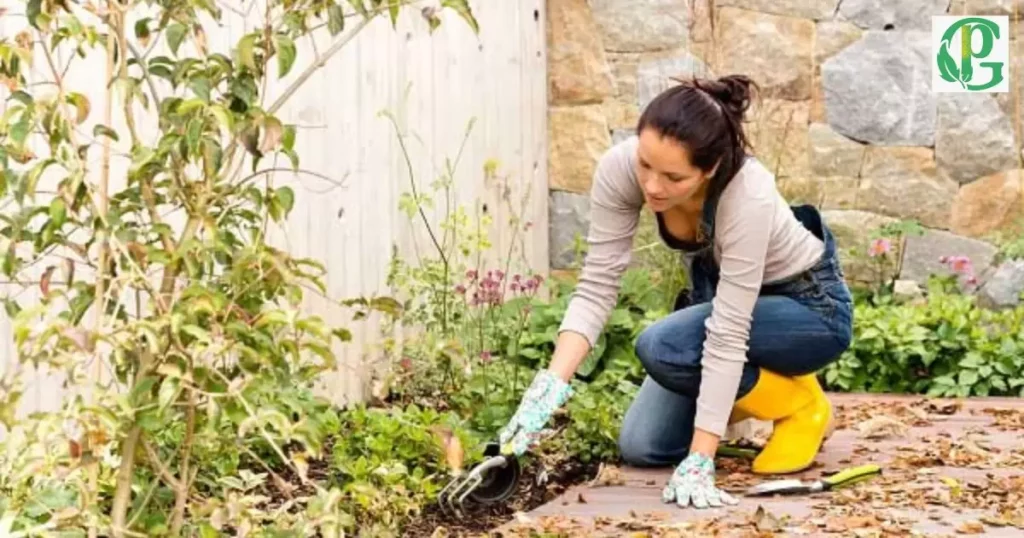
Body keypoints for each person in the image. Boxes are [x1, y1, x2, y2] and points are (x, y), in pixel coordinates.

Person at [497, 74, 854, 510]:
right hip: (726, 306)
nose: (652, 186)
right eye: (645, 164)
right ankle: (763, 393)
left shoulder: (748, 193)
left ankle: (800, 404)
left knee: (664, 346)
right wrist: (550, 386)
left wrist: (701, 460)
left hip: (808, 310)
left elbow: (726, 332)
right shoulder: (620, 168)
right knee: (644, 446)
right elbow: (596, 286)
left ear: (711, 169)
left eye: (673, 177)